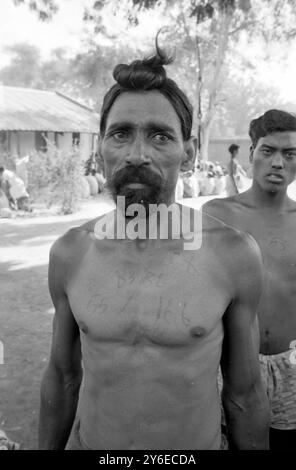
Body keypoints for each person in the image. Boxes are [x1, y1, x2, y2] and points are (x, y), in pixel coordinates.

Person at [38, 42, 269, 450]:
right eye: (120, 134)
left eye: (160, 136)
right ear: (100, 149)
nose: (137, 154)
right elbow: (62, 376)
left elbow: (245, 394)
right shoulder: (70, 253)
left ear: (189, 153)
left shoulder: (233, 254)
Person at [204, 109, 296, 450]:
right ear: (251, 153)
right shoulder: (218, 215)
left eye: (290, 154)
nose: (278, 163)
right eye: (268, 151)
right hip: (233, 365)